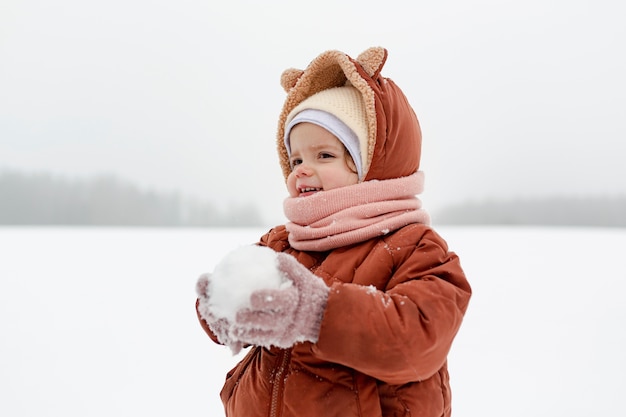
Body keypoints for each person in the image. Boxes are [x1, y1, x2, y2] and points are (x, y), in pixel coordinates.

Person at [195, 46, 472, 417]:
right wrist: (222, 308)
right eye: (295, 159)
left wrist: (318, 312)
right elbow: (245, 303)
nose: (302, 170)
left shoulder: (415, 248)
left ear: (372, 166)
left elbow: (417, 338)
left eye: (323, 156)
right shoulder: (283, 243)